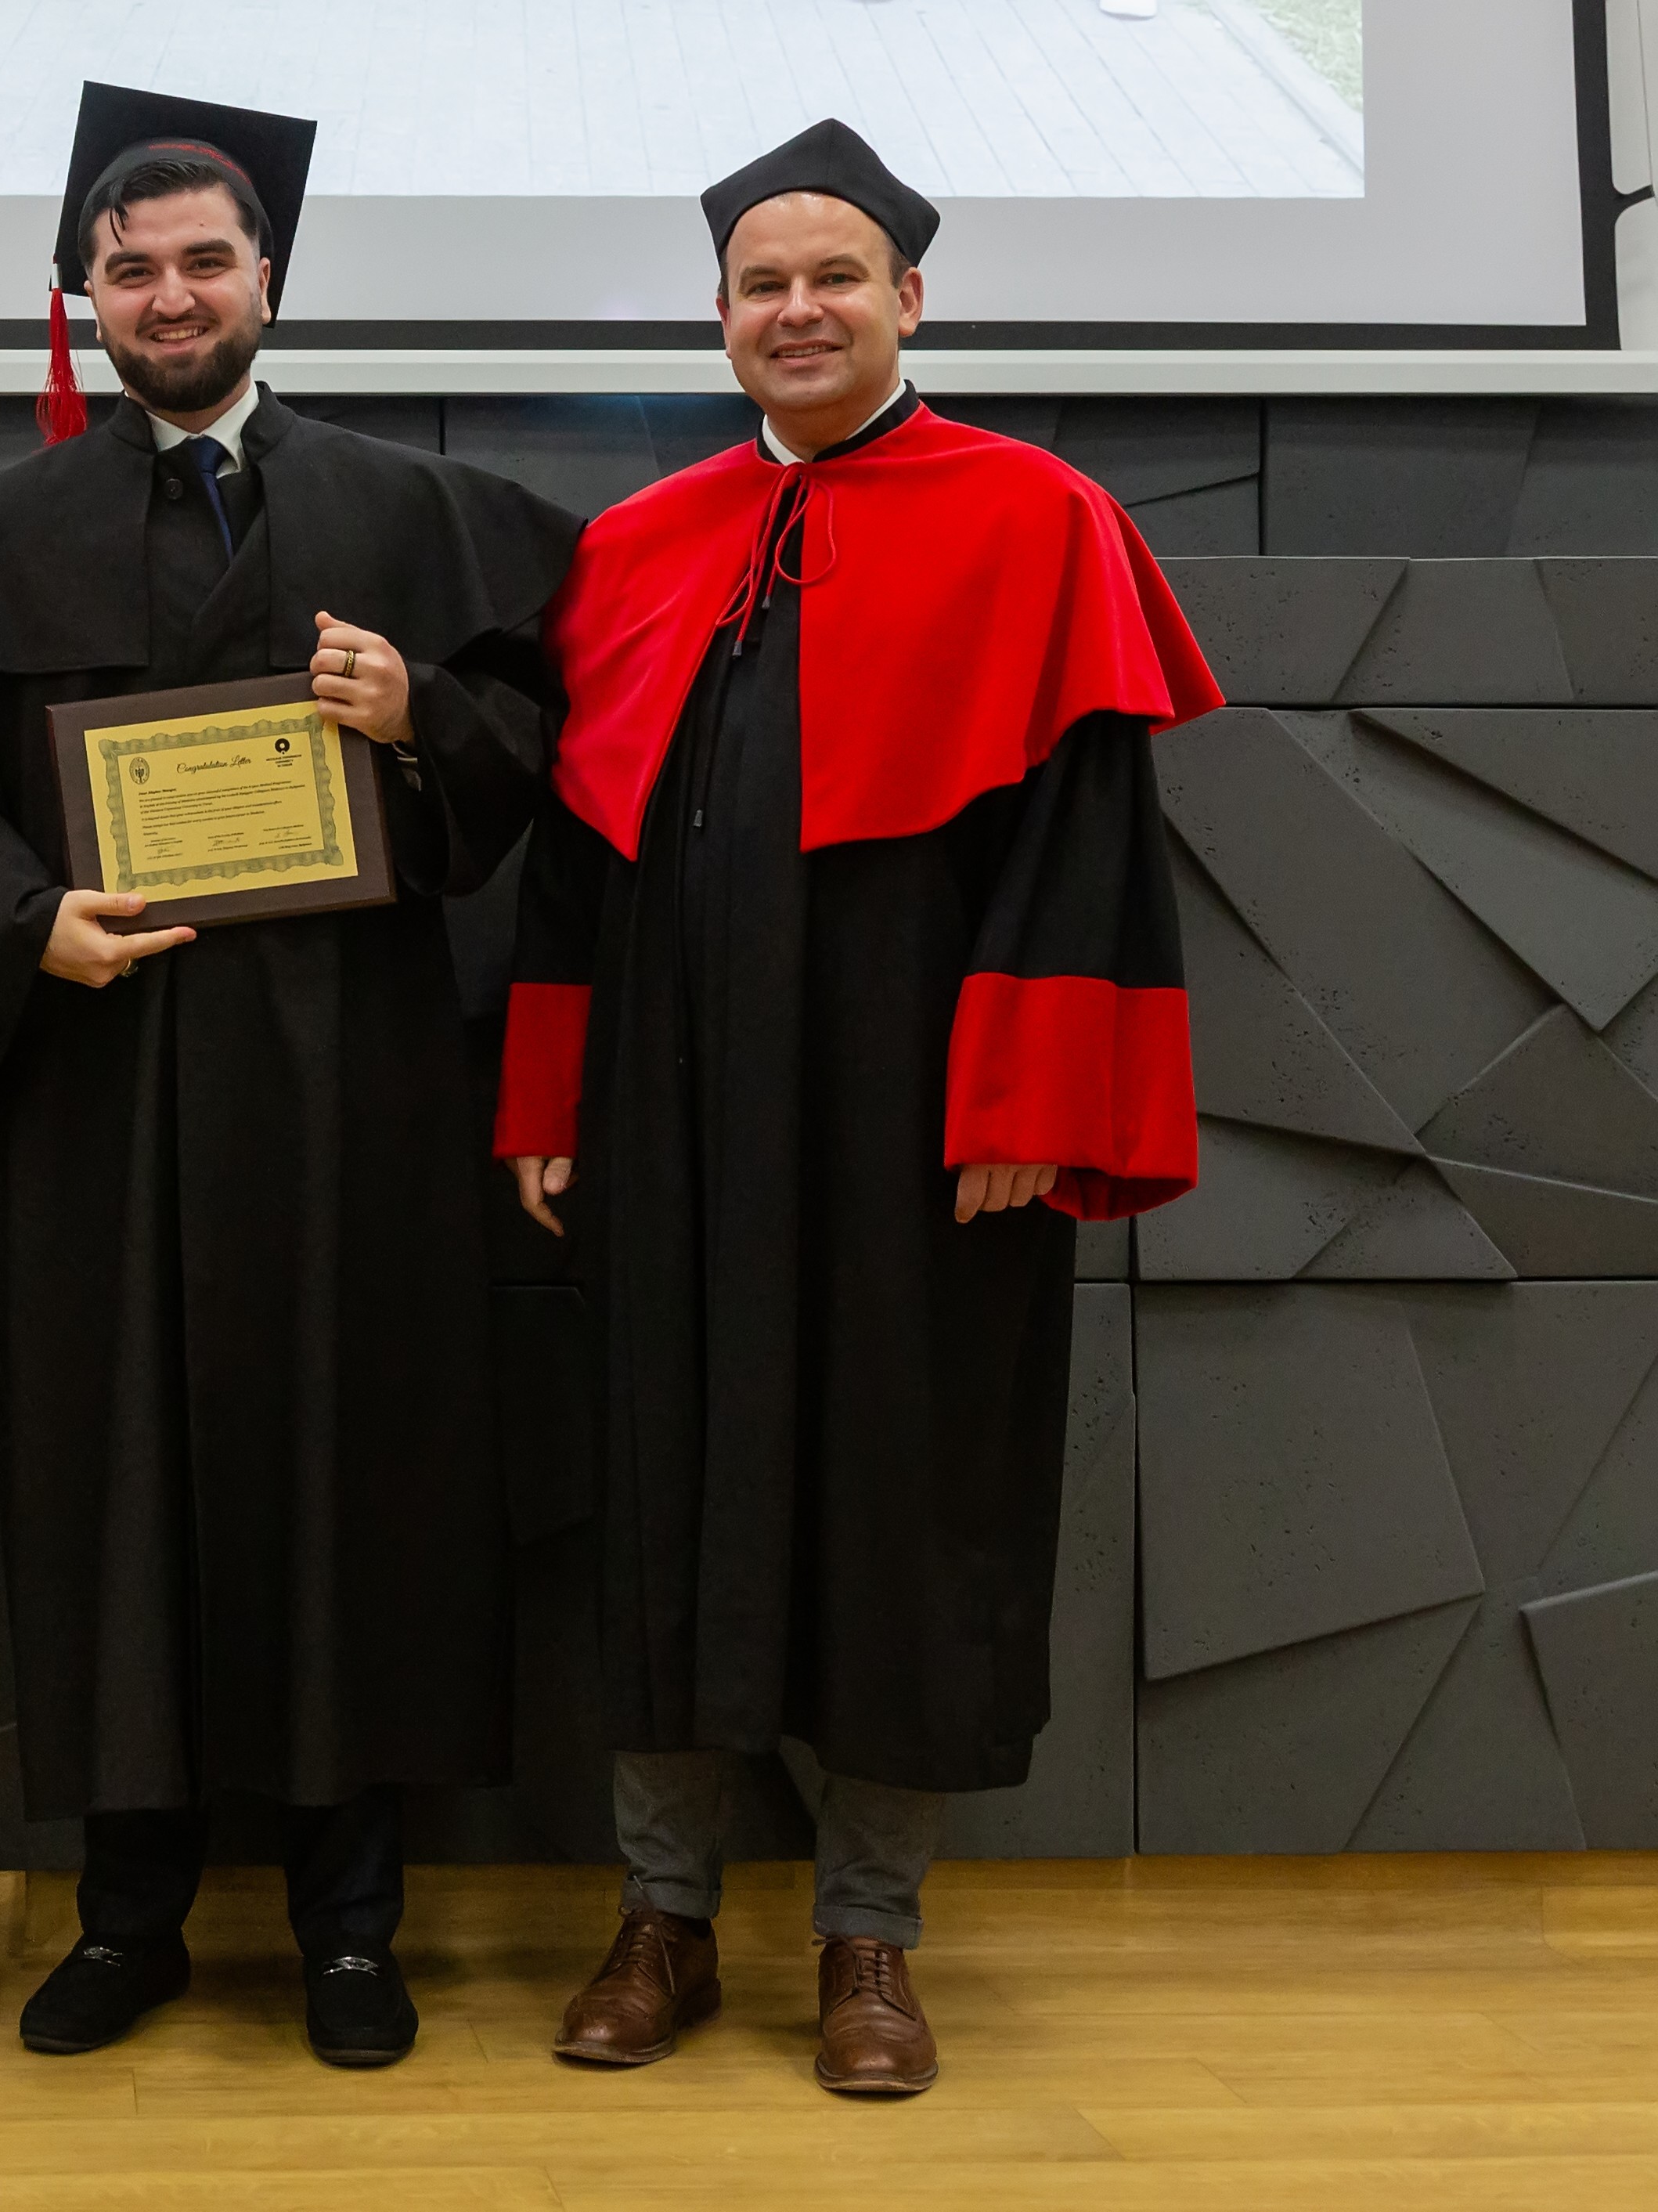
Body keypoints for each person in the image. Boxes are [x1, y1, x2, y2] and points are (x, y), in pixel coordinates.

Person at [0, 84, 578, 2071]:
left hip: (354, 1085)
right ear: (84, 294)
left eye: (202, 263)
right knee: (108, 1474)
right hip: (101, 1077)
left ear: (268, 279)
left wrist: (418, 713)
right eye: (130, 269)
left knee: (357, 1472)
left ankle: (350, 1929)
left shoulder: (416, 517)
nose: (168, 296)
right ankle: (126, 1916)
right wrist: (25, 928)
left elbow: (521, 774)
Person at [499, 119, 1217, 2096]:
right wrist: (550, 1091)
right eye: (761, 284)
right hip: (669, 1101)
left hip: (918, 1115)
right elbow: (574, 850)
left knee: (908, 1492)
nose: (795, 310)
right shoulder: (640, 545)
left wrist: (1027, 1100)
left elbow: (1085, 845)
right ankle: (661, 1913)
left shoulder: (1037, 518)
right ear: (720, 315)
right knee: (664, 1477)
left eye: (833, 279)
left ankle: (867, 1934)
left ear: (909, 297)